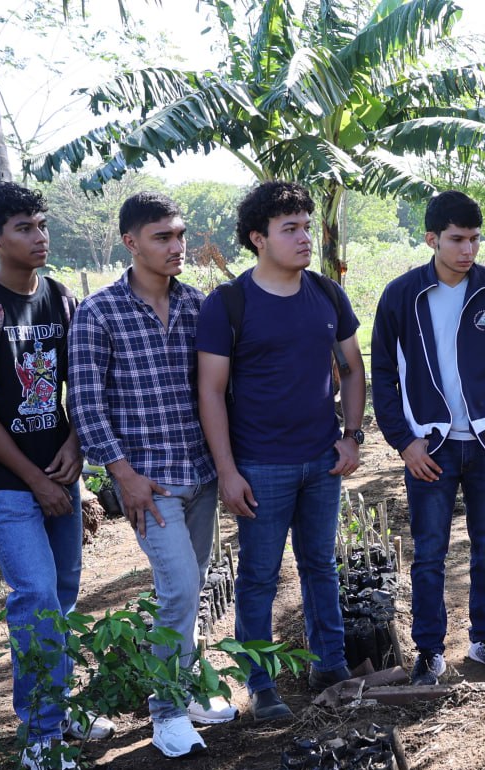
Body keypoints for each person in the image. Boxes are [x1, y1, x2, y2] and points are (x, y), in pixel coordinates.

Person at [0, 182, 113, 770]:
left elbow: (81, 386)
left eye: (41, 225)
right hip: (5, 482)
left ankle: (61, 708)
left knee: (62, 595)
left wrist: (75, 446)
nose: (39, 237)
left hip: (61, 470)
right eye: (24, 228)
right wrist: (34, 479)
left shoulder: (61, 300)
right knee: (35, 595)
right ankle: (39, 734)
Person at [68, 192, 237, 758]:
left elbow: (218, 390)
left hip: (201, 475)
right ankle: (165, 712)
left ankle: (188, 690)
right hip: (149, 484)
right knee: (179, 589)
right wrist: (123, 476)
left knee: (194, 587)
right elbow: (86, 403)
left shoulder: (198, 306)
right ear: (131, 242)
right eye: (162, 237)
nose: (177, 246)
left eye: (180, 235)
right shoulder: (99, 312)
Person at [196, 181, 364, 721]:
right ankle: (261, 683)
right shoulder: (229, 304)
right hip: (260, 465)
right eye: (289, 229)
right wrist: (227, 470)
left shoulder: (328, 295)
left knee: (321, 566)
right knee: (259, 577)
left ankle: (331, 665)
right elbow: (210, 392)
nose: (304, 238)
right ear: (258, 238)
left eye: (306, 227)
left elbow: (352, 368)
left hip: (322, 460)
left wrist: (352, 435)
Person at [370, 190, 485, 686]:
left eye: (475, 239)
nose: (468, 250)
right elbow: (384, 376)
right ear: (432, 239)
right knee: (429, 553)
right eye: (457, 239)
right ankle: (429, 651)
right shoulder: (401, 296)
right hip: (431, 448)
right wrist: (404, 442)